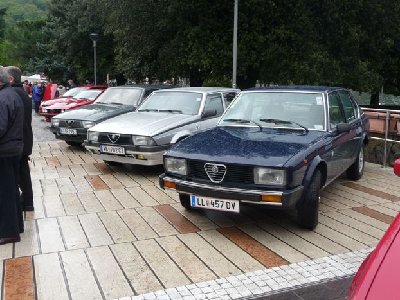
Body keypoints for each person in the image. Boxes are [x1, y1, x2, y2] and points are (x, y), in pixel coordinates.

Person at [0, 66, 24, 245]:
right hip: (13, 148)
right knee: (12, 188)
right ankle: (17, 226)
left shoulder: (3, 97)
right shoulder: (12, 94)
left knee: (5, 192)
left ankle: (9, 232)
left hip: (4, 150)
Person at [6, 66, 34, 212]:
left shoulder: (12, 94)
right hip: (24, 139)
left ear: (10, 79)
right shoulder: (21, 92)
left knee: (17, 174)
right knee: (23, 172)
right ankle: (28, 202)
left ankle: (24, 202)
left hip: (17, 141)